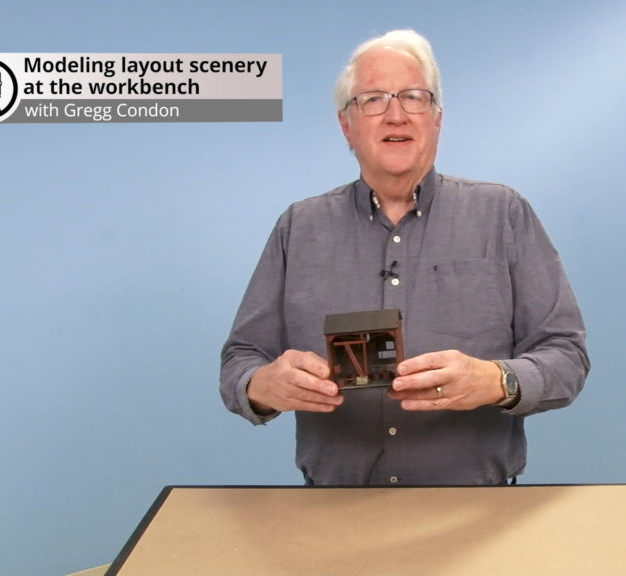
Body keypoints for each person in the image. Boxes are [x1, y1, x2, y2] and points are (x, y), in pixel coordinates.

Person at [220, 29, 589, 486]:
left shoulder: (503, 214)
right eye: (372, 99)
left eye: (414, 97)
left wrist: (498, 380)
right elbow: (241, 360)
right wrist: (262, 387)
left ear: (437, 118)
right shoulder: (299, 227)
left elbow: (567, 356)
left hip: (476, 512)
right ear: (346, 125)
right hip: (332, 512)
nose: (396, 115)